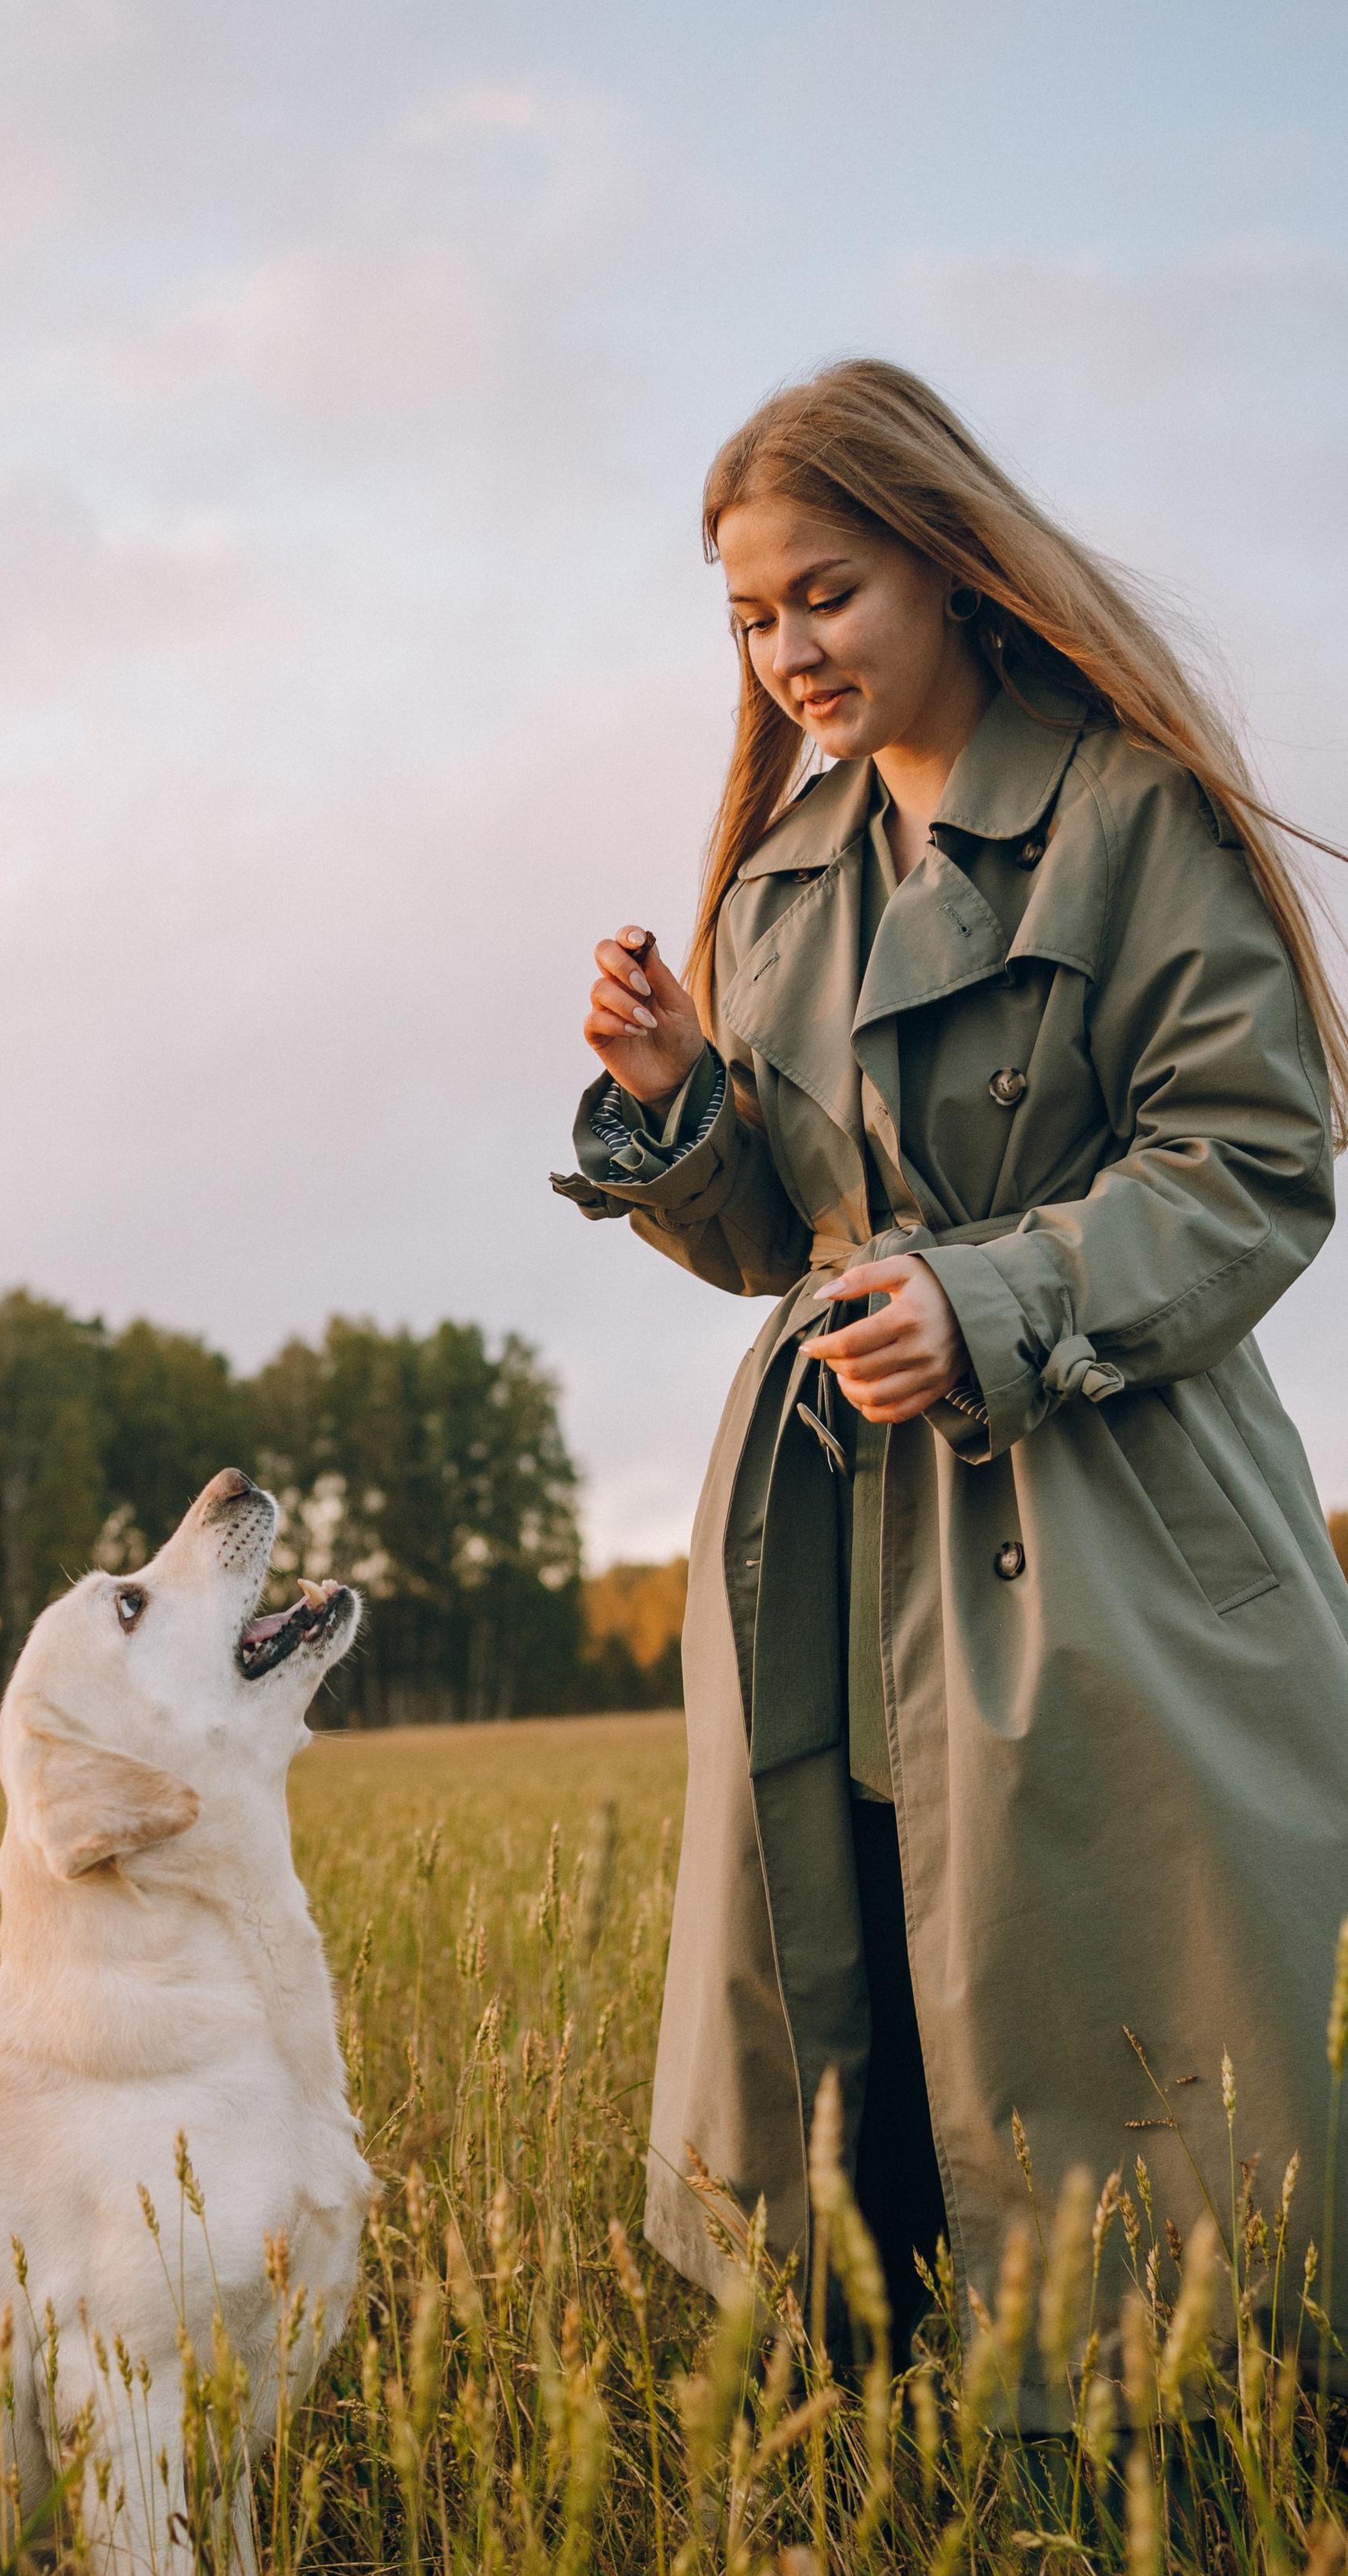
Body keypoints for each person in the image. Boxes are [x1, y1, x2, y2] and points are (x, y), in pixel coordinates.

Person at [555, 360, 1348, 2400]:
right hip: (833, 1535)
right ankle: (894, 2415)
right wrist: (679, 1104)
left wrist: (985, 1304)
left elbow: (1253, 1161)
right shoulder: (777, 880)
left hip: (1113, 1529)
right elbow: (783, 1239)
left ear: (949, 563)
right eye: (753, 615)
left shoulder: (1133, 814)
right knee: (860, 1962)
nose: (788, 651)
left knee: (1124, 1996)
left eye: (825, 593)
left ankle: (1174, 2435)